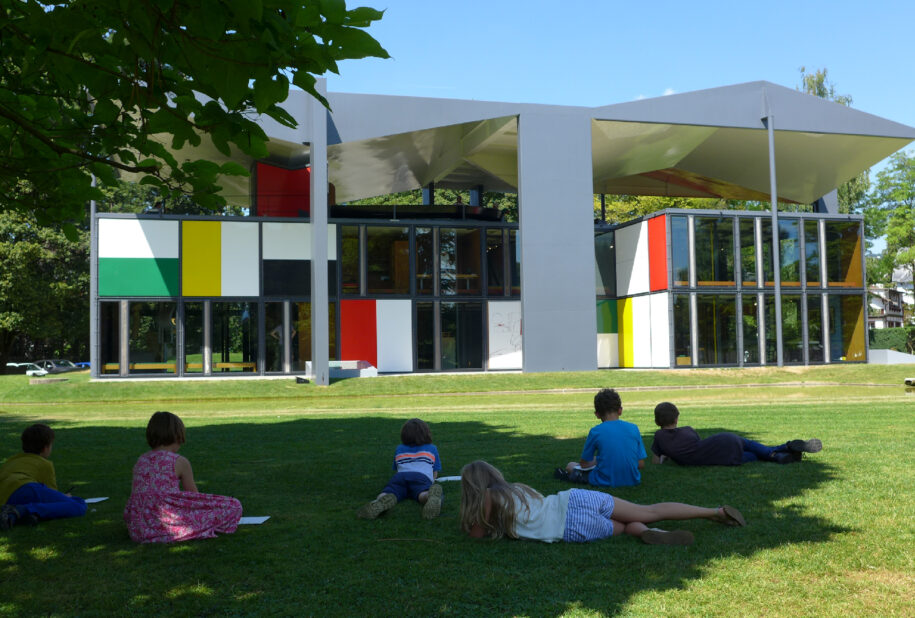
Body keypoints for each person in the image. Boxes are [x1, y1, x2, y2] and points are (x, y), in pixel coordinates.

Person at [461, 460, 745, 545]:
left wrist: (468, 519)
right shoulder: (518, 489)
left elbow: (476, 534)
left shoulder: (486, 501)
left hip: (569, 526)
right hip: (576, 498)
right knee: (649, 511)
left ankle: (650, 534)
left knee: (623, 527)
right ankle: (715, 511)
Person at [124, 411, 242, 543]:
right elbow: (194, 497)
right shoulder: (179, 461)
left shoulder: (142, 460)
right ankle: (190, 528)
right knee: (234, 506)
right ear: (178, 435)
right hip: (167, 520)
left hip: (139, 528)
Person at [650, 402, 822, 466]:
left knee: (752, 456)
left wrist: (667, 456)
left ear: (657, 422)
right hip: (723, 441)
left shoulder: (659, 438)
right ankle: (784, 449)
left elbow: (656, 462)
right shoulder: (688, 430)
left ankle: (779, 455)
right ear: (677, 418)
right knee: (755, 448)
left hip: (722, 459)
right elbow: (695, 446)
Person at [0, 424, 87, 529]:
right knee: (78, 504)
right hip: (26, 487)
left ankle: (18, 515)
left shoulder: (12, 460)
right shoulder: (44, 464)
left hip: (5, 497)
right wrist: (64, 496)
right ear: (46, 448)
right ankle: (24, 510)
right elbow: (51, 493)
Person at [555, 388, 646, 486]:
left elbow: (584, 464)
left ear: (597, 414)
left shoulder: (596, 431)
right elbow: (640, 464)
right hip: (633, 480)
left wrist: (597, 460)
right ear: (620, 411)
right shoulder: (633, 428)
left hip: (604, 481)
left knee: (570, 465)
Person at [357, 418, 443, 520]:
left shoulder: (399, 448)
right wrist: (431, 481)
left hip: (400, 477)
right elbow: (435, 470)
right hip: (420, 477)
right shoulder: (432, 448)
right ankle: (429, 496)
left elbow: (397, 468)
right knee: (421, 493)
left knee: (390, 492)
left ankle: (379, 501)